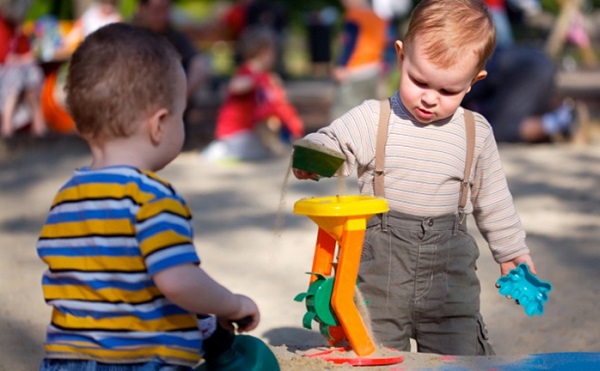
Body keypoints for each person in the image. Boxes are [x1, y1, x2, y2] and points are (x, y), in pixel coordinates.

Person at [292, 0, 536, 355]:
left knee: (463, 357)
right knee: (372, 351)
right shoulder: (374, 118)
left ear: (474, 81)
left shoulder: (475, 132)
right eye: (419, 80)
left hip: (449, 283)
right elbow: (332, 140)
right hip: (379, 276)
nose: (429, 98)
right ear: (401, 57)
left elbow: (494, 200)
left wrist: (512, 252)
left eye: (448, 90)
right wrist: (316, 154)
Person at [37, 23, 260, 370]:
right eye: (181, 114)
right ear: (158, 125)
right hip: (138, 361)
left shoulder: (66, 198)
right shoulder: (152, 198)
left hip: (65, 360)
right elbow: (178, 280)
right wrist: (232, 304)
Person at [462, 0, 577, 143]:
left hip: (528, 70)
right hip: (538, 61)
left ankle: (560, 120)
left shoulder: (466, 74)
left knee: (501, 130)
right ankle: (559, 117)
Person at [202, 26, 304, 162]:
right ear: (265, 51)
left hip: (250, 131)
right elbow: (234, 86)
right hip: (235, 133)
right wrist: (256, 82)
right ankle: (221, 150)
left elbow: (277, 105)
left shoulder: (265, 77)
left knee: (267, 145)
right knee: (259, 151)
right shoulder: (247, 74)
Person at [132, 0, 209, 101]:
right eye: (157, 10)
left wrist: (183, 94)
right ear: (141, 9)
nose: (162, 16)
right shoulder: (126, 35)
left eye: (166, 9)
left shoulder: (173, 34)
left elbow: (199, 65)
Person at [329, 0, 387, 121]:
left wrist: (342, 65)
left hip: (355, 70)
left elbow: (349, 44)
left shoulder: (355, 16)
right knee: (368, 112)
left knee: (343, 113)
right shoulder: (378, 18)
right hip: (373, 69)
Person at [0, 12, 46, 138]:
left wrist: (20, 33)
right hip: (4, 72)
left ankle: (38, 124)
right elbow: (5, 57)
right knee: (15, 77)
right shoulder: (2, 25)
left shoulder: (17, 27)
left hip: (18, 71)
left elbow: (27, 51)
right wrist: (25, 58)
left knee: (33, 74)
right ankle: (6, 126)